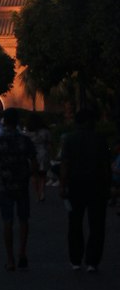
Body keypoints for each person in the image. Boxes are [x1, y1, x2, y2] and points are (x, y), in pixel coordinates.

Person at [59, 107, 111, 272]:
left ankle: (75, 259)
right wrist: (110, 185)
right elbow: (106, 166)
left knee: (75, 222)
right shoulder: (100, 139)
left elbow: (65, 164)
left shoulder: (69, 139)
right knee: (97, 224)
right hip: (97, 184)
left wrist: (62, 185)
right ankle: (92, 260)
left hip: (75, 184)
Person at [0, 108, 37, 270]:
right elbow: (34, 162)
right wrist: (31, 176)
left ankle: (10, 259)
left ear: (4, 122)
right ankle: (22, 252)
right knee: (24, 220)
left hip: (5, 185)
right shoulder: (25, 140)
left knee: (7, 221)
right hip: (22, 185)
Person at [29, 115, 51, 203]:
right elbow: (49, 144)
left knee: (34, 175)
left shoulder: (28, 132)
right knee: (43, 175)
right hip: (43, 153)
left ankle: (37, 193)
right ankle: (42, 192)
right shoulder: (46, 132)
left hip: (32, 155)